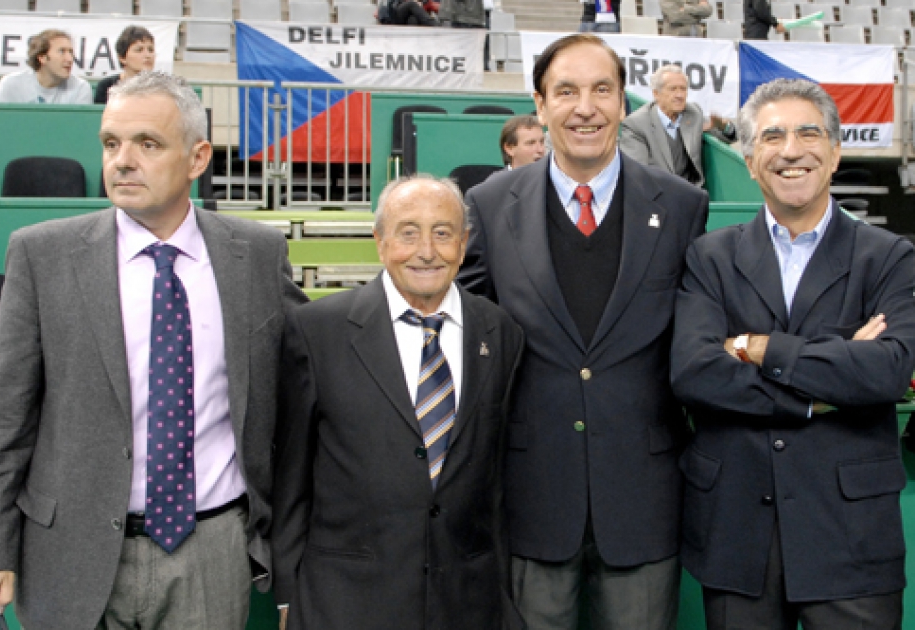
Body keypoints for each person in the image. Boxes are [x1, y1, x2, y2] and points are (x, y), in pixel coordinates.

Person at [0, 71, 306, 629]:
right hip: (69, 553)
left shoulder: (259, 256)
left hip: (212, 550)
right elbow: (1, 422)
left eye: (147, 143)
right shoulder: (42, 256)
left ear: (198, 158)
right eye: (111, 143)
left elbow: (303, 388)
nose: (122, 160)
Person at [458, 34, 709, 630]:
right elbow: (462, 329)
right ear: (540, 107)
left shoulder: (680, 207)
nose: (585, 107)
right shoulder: (489, 204)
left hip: (644, 501)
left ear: (625, 104)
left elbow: (705, 331)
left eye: (602, 90)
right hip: (531, 497)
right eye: (565, 92)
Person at [671, 78, 915, 630]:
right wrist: (825, 383)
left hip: (852, 537)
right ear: (751, 160)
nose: (790, 150)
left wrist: (759, 347)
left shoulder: (889, 257)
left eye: (808, 133)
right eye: (772, 136)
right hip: (738, 533)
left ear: (834, 153)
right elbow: (694, 373)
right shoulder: (710, 257)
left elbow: (887, 370)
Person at [273, 175, 525, 630]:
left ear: (464, 242)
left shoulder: (500, 331)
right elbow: (292, 478)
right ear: (380, 240)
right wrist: (288, 594)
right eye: (408, 232)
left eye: (443, 233)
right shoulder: (317, 331)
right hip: (344, 600)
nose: (426, 250)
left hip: (467, 601)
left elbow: (499, 481)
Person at [620, 64, 736, 188]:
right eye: (673, 89)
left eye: (683, 89)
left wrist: (724, 126)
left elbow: (730, 136)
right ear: (656, 94)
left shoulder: (693, 113)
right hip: (655, 196)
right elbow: (636, 176)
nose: (679, 95)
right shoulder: (636, 124)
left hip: (690, 195)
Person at [0, 29, 92, 104]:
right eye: (61, 51)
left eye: (70, 52)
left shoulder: (80, 88)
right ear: (42, 57)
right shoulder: (11, 84)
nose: (70, 59)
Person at [94, 26, 156, 104]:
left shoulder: (163, 88)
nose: (148, 55)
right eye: (139, 50)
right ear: (122, 58)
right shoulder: (106, 86)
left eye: (151, 50)